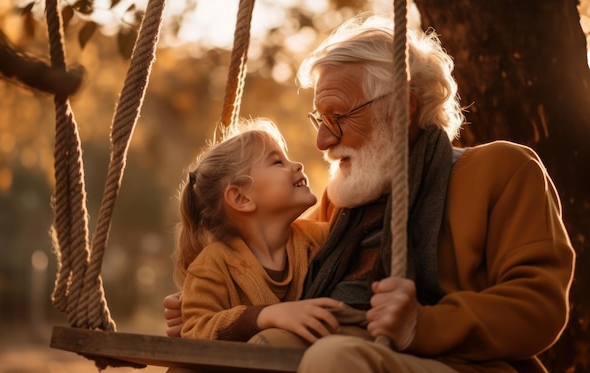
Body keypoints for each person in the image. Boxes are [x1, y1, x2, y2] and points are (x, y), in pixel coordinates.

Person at [165, 14, 575, 373]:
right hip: (339, 346)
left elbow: (539, 307)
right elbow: (273, 269)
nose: (323, 141)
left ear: (402, 109)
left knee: (329, 359)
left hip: (454, 363)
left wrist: (422, 324)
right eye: (319, 120)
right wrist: (211, 313)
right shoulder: (340, 200)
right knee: (211, 361)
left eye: (338, 117)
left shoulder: (501, 170)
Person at [173, 119, 343, 343]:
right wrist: (263, 317)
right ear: (241, 198)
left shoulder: (319, 239)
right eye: (277, 162)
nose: (297, 165)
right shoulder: (211, 266)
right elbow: (195, 331)